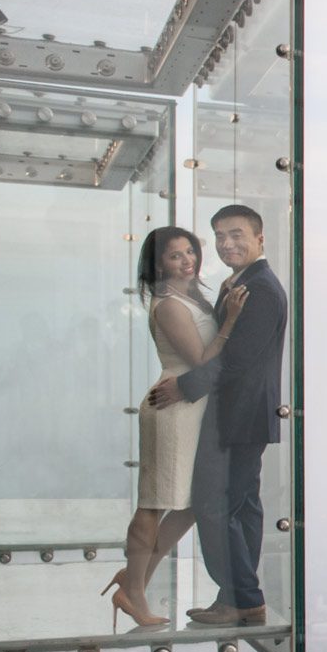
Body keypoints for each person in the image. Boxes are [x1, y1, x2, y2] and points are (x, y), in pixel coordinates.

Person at [147, 204, 288, 626]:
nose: (228, 243)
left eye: (237, 234)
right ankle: (239, 595)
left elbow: (237, 360)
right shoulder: (240, 283)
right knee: (241, 506)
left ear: (260, 239)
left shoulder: (259, 288)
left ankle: (241, 598)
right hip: (242, 413)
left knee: (214, 504)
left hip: (239, 414)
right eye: (221, 236)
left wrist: (184, 387)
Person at [105, 226, 247, 629]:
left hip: (192, 409)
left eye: (190, 252)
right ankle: (133, 591)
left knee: (187, 507)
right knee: (155, 503)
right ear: (157, 263)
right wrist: (231, 319)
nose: (187, 260)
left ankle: (134, 581)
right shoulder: (167, 304)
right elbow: (201, 359)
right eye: (175, 255)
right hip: (173, 410)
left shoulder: (192, 295)